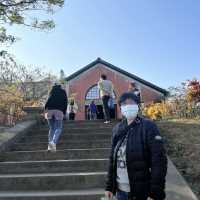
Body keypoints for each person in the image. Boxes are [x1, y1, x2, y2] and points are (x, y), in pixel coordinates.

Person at [105, 92, 167, 200]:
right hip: (120, 192)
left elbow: (159, 161)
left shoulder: (148, 126)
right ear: (120, 108)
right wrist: (109, 187)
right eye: (124, 103)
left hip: (142, 192)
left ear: (138, 106)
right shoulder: (117, 129)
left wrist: (155, 192)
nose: (128, 106)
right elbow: (112, 160)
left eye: (131, 102)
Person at [44, 83, 68, 152]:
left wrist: (45, 109)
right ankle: (53, 142)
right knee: (58, 128)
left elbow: (47, 101)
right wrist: (64, 112)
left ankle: (50, 147)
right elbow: (65, 102)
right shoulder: (63, 91)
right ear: (60, 87)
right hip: (59, 111)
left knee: (51, 128)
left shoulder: (52, 91)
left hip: (50, 111)